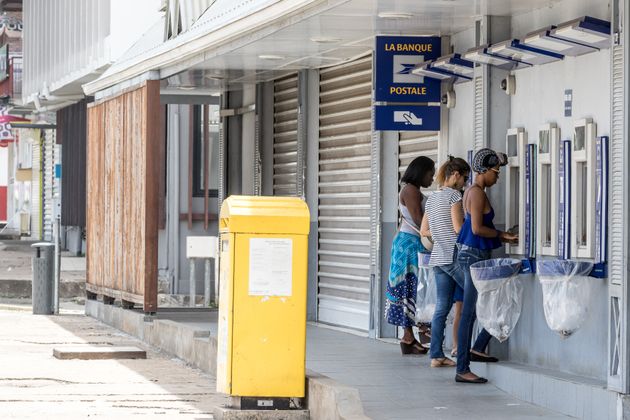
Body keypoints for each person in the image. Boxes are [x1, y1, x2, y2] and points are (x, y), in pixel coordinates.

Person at [455, 148, 518, 383]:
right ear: (483, 171)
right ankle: (462, 368)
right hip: (474, 255)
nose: (497, 177)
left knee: (484, 306)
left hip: (469, 253)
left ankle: (478, 347)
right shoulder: (478, 193)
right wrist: (504, 235)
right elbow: (476, 229)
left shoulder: (471, 191)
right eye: (496, 172)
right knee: (469, 313)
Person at [419, 156, 470, 367]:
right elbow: (458, 229)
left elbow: (424, 231)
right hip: (453, 256)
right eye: (465, 178)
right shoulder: (454, 196)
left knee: (442, 307)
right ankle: (466, 349)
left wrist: (440, 232)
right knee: (473, 295)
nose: (465, 183)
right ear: (456, 175)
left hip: (438, 258)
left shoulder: (431, 198)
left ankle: (436, 355)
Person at [386, 156, 435, 355]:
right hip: (410, 245)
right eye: (430, 174)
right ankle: (409, 336)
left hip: (407, 243)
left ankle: (408, 337)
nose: (432, 179)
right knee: (412, 287)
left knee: (410, 288)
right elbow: (418, 220)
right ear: (421, 172)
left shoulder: (410, 190)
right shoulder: (411, 191)